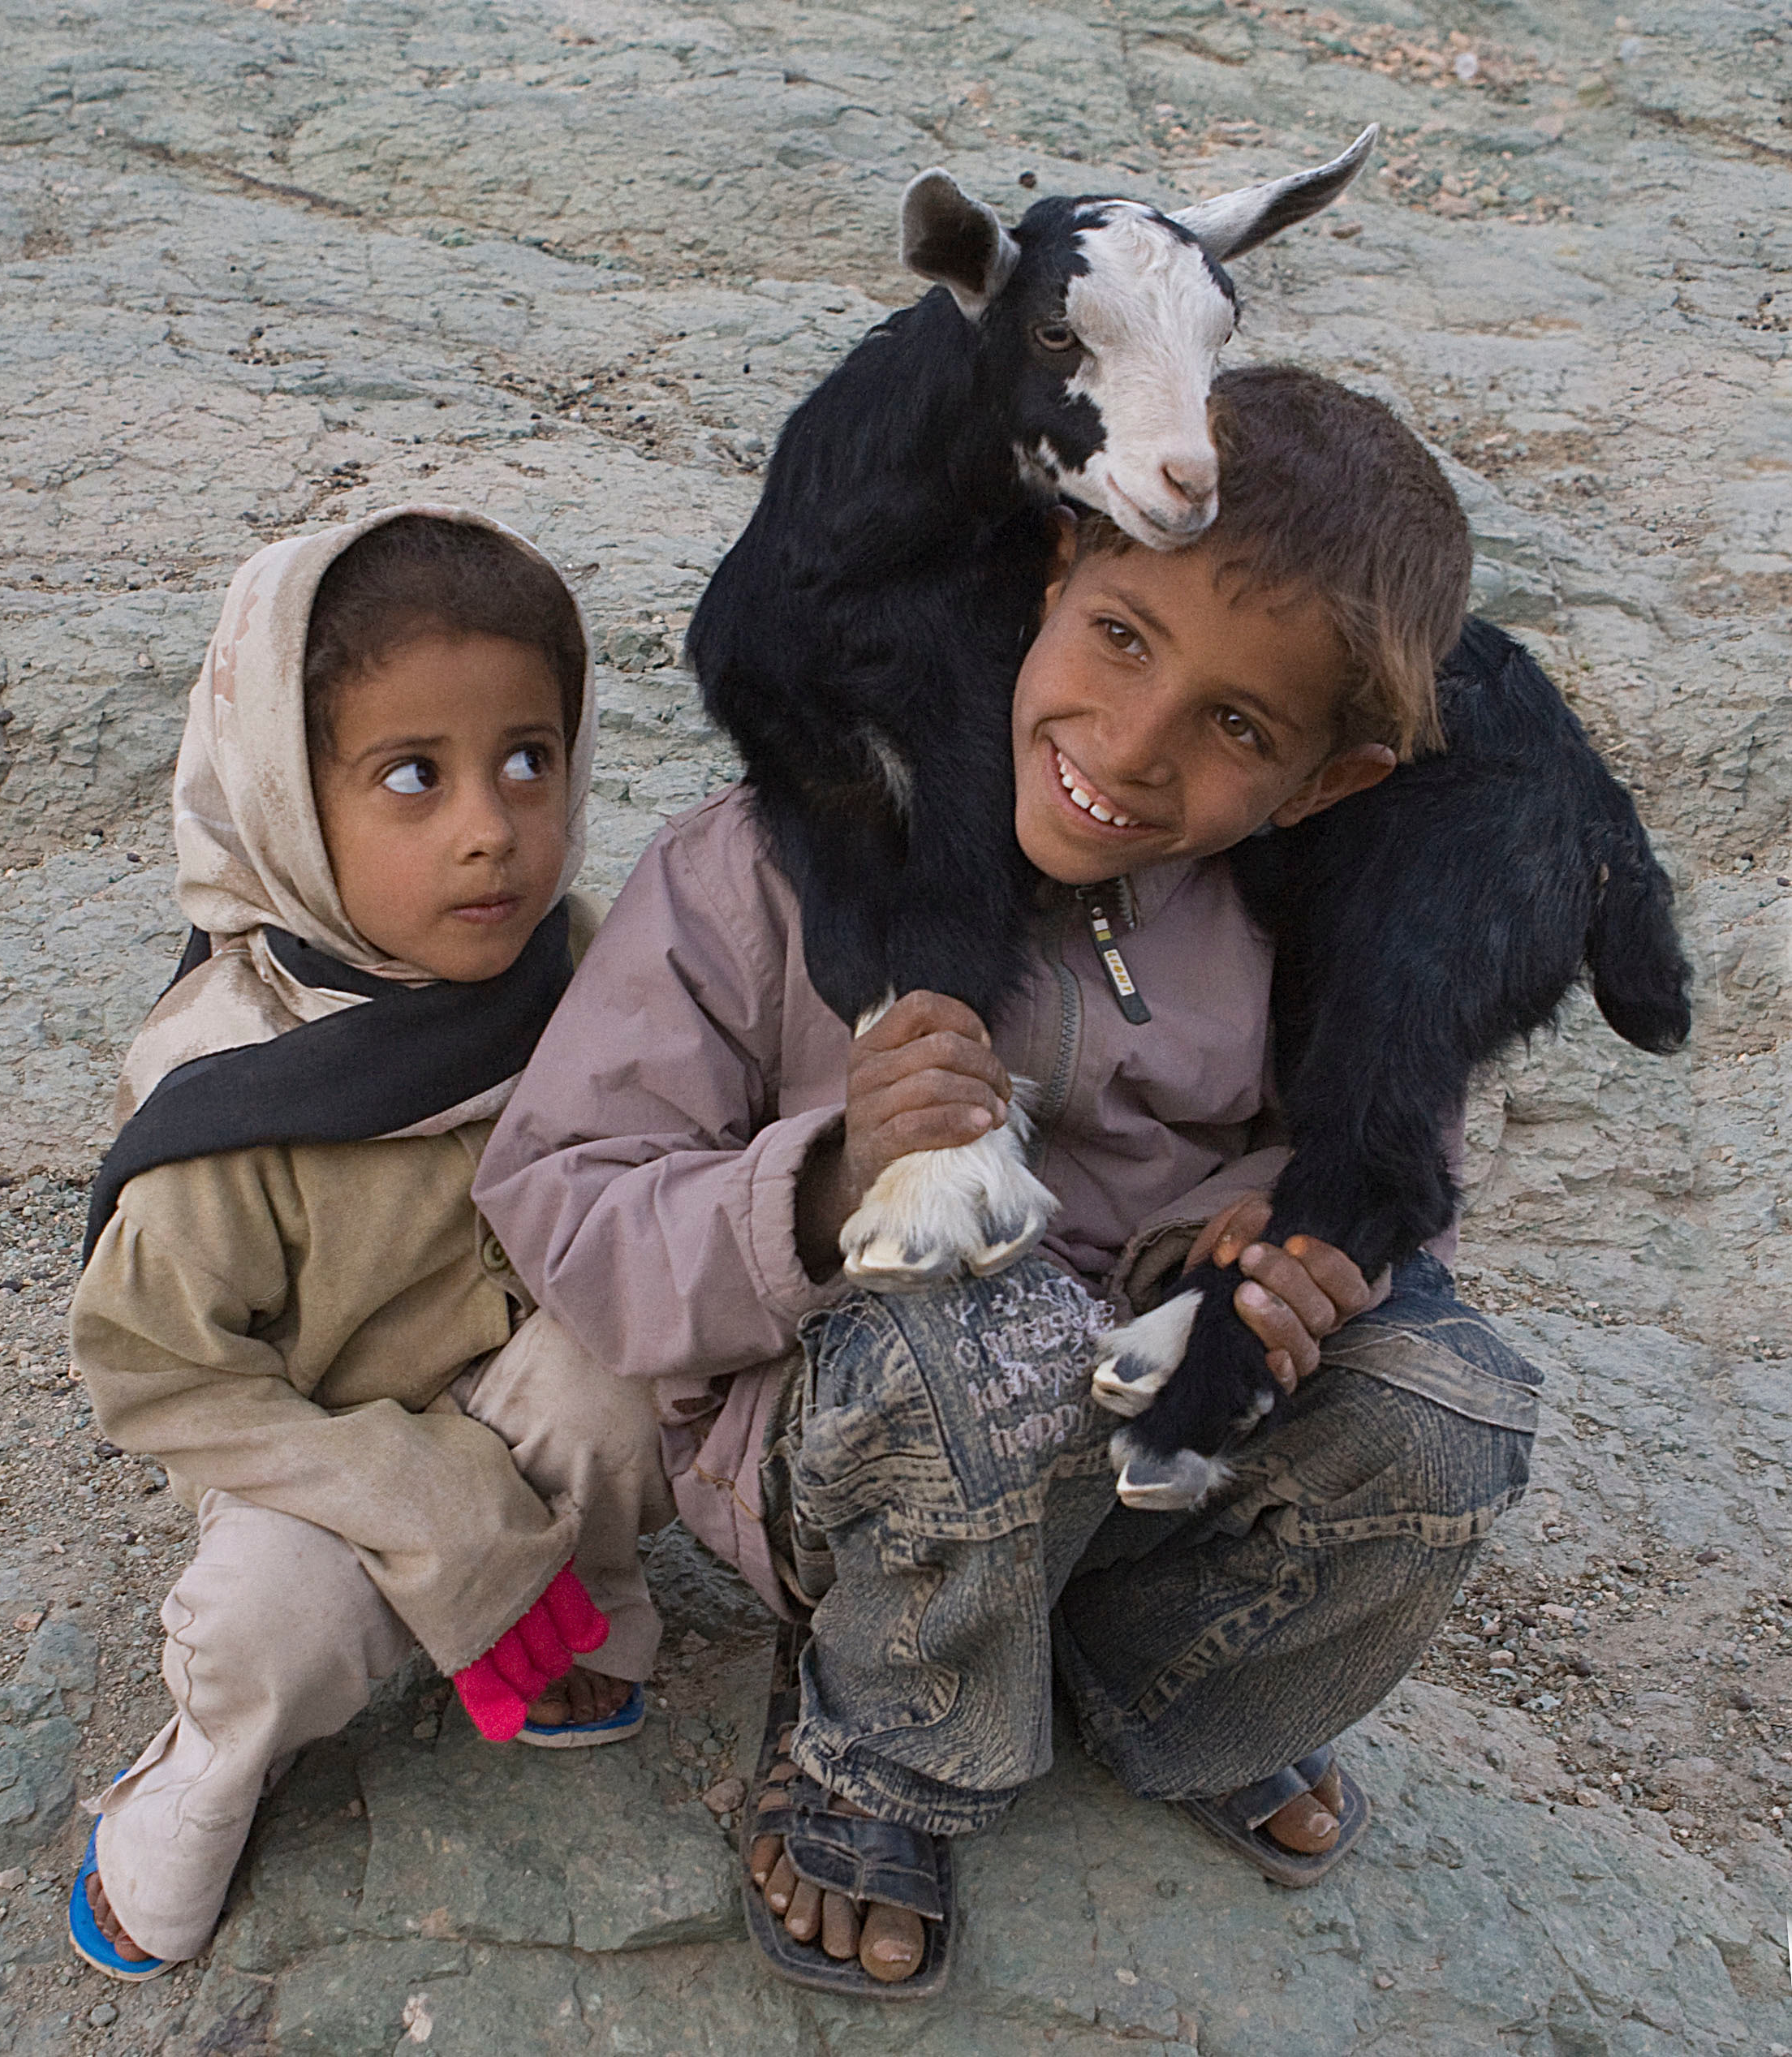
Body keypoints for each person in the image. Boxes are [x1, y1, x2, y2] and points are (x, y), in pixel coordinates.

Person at [473, 368, 1541, 1997]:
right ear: (1052, 568)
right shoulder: (777, 854)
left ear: (1329, 780)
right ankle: (885, 1738)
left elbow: (1392, 1173)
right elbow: (559, 1196)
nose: (1128, 743)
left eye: (1236, 723)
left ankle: (1160, 1686)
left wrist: (1284, 1234)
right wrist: (828, 1177)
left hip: (1133, 1467)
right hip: (844, 1442)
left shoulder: (1320, 931)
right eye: (1120, 634)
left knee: (1447, 1404)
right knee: (976, 1321)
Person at [66, 508, 674, 1981]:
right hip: (321, 1462)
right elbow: (162, 1381)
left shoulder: (585, 971)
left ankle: (573, 1603)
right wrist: (428, 1502)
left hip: (521, 1393)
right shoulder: (235, 1091)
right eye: (412, 776)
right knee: (270, 1624)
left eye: (530, 758)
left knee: (633, 1379)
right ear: (286, 795)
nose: (491, 826)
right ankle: (210, 1767)